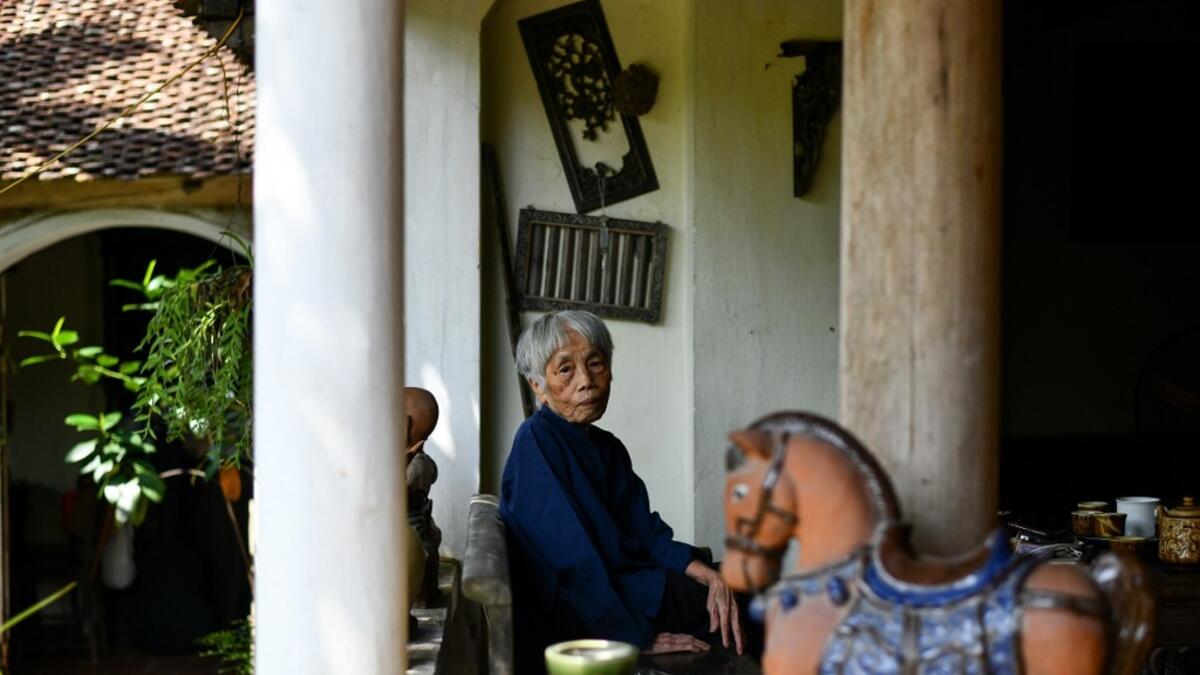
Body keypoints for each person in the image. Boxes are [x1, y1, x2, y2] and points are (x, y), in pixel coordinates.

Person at [500, 310, 754, 671]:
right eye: (565, 369)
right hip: (594, 611)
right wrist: (633, 638)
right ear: (538, 386)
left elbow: (644, 530)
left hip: (631, 588)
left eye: (595, 363)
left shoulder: (608, 448)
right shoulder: (536, 445)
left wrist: (705, 572)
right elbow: (571, 566)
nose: (586, 381)